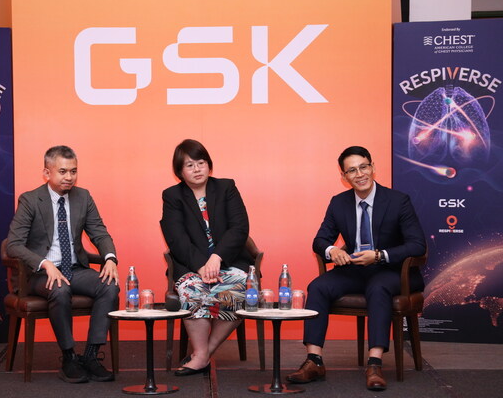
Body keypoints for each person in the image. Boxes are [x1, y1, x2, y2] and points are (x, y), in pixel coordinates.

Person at [287, 146, 426, 391]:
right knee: (317, 287)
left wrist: (379, 255)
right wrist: (333, 250)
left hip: (394, 272)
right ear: (344, 176)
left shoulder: (398, 200)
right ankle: (314, 361)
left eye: (364, 167)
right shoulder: (339, 203)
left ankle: (375, 364)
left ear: (373, 167)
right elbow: (320, 241)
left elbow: (417, 244)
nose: (359, 174)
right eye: (351, 170)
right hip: (355, 271)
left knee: (378, 286)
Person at [6, 145, 119, 383]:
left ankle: (90, 356)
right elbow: (14, 245)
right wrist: (45, 264)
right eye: (63, 171)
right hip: (39, 274)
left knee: (109, 285)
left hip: (75, 269)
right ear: (47, 173)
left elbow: (99, 233)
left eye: (73, 171)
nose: (69, 177)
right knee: (59, 288)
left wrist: (110, 258)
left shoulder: (83, 197)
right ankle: (69, 357)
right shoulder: (30, 200)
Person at [160, 139, 254, 376]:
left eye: (201, 163)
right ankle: (202, 353)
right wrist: (201, 266)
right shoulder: (172, 196)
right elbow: (176, 238)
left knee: (238, 289)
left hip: (230, 261)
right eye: (189, 165)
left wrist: (217, 258)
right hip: (191, 264)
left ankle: (202, 354)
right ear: (179, 171)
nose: (197, 169)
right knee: (193, 289)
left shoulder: (226, 187)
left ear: (209, 165)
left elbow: (239, 228)